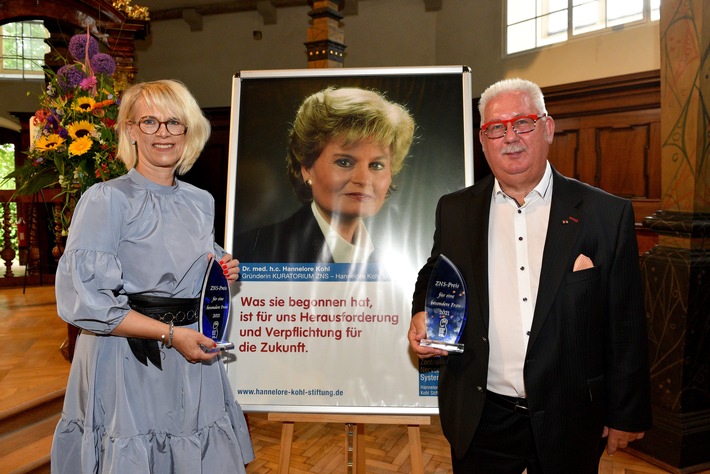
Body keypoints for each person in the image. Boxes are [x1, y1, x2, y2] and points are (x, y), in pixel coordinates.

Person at [408, 78, 652, 473]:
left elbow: (625, 322)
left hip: (571, 415)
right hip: (481, 412)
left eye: (523, 123)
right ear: (483, 142)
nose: (510, 137)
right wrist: (423, 312)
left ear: (548, 128)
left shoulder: (605, 214)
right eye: (496, 128)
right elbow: (435, 272)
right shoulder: (455, 210)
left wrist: (627, 412)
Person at [50, 79, 254, 473]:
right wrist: (169, 335)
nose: (163, 133)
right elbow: (85, 301)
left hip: (191, 351)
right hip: (127, 356)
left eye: (173, 122)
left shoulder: (200, 200)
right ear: (130, 130)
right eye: (149, 122)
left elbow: (191, 259)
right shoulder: (106, 198)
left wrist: (223, 267)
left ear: (188, 131)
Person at [235, 86, 415, 264]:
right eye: (344, 162)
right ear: (306, 167)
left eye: (376, 165)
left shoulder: (395, 261)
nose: (364, 179)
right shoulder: (251, 252)